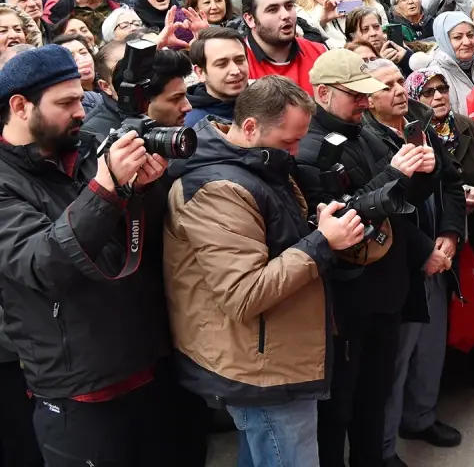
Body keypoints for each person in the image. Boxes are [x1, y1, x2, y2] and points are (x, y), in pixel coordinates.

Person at [164, 76, 363, 467]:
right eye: (288, 141)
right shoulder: (217, 187)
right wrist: (322, 241)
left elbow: (274, 241)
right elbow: (244, 293)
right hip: (260, 368)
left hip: (273, 354)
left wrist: (315, 225)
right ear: (251, 126)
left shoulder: (256, 160)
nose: (295, 151)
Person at [0, 45, 176, 465]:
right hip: (79, 388)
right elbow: (43, 263)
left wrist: (142, 190)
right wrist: (106, 189)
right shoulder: (6, 180)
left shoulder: (89, 147)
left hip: (147, 361)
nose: (81, 111)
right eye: (65, 103)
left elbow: (143, 244)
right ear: (20, 106)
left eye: (80, 98)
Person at [294, 49, 436, 467]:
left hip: (385, 293)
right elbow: (340, 222)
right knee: (339, 410)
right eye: (354, 95)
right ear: (321, 93)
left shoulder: (364, 131)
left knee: (375, 398)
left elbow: (400, 205)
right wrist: (396, 174)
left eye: (364, 94)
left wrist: (424, 173)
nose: (363, 102)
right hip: (347, 304)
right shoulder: (308, 148)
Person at [369, 66, 468, 464]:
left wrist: (449, 232)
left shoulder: (419, 126)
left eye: (399, 83)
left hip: (439, 260)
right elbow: (384, 212)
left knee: (430, 350)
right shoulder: (366, 139)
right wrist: (425, 250)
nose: (398, 91)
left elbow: (451, 183)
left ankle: (421, 418)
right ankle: (383, 447)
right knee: (394, 362)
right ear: (366, 96)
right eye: (387, 86)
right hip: (402, 269)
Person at [242, 0, 327, 93]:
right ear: (250, 19)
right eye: (272, 10)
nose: (286, 15)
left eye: (289, 6)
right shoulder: (238, 64)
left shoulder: (319, 53)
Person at [184, 27, 249, 126]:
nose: (235, 71)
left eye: (239, 60)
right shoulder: (193, 125)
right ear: (200, 73)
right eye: (222, 64)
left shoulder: (268, 103)